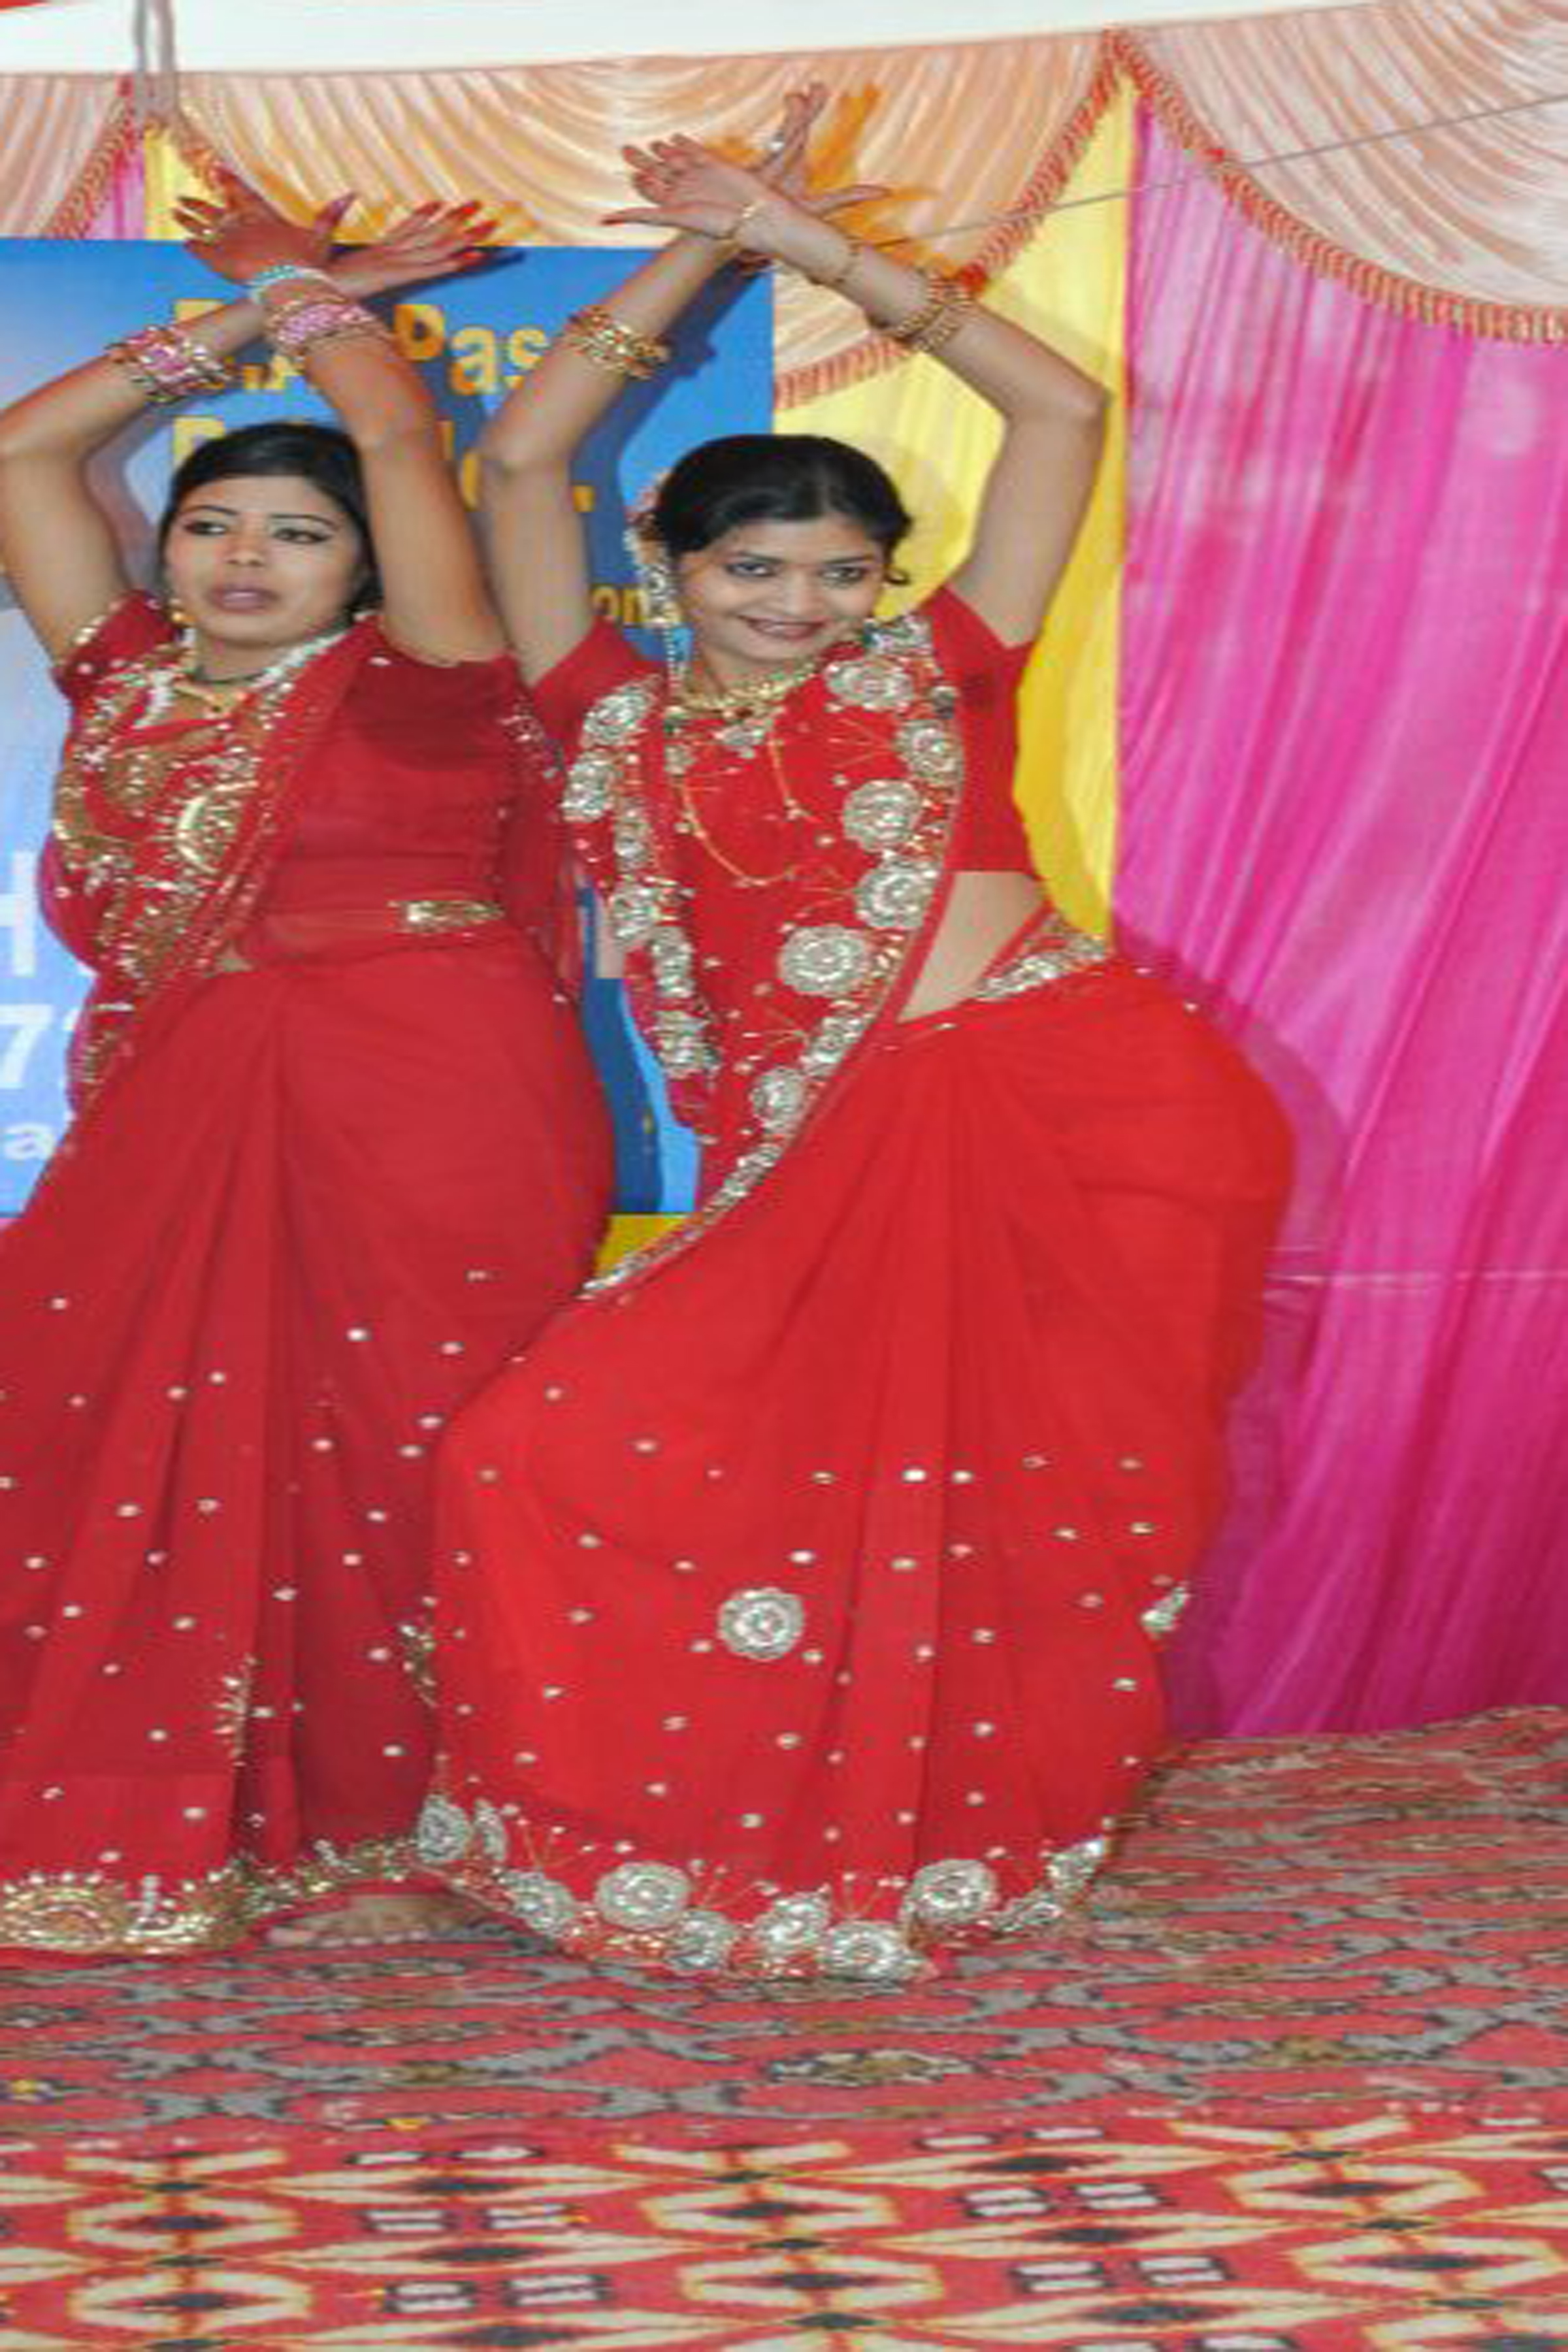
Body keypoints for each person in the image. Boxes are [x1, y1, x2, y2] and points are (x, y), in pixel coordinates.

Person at [419, 91, 1292, 1978]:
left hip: (1031, 1114)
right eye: (753, 569)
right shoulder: (610, 712)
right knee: (535, 1451)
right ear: (668, 560)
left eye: (840, 572)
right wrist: (707, 241)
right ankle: (708, 1820)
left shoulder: (941, 675)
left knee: (981, 1499)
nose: (800, 607)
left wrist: (815, 246)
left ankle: (934, 1838)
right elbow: (520, 465)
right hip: (804, 1159)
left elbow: (1058, 418)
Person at [0, 176, 613, 1953]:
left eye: (297, 534)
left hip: (433, 1100)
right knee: (123, 1428)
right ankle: (187, 1809)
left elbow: (404, 442)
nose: (245, 558)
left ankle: (405, 1834)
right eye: (211, 524)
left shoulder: (429, 675)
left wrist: (304, 288)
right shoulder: (125, 678)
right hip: (183, 1094)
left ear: (364, 570)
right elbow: (25, 454)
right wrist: (247, 316)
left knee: (400, 1445)